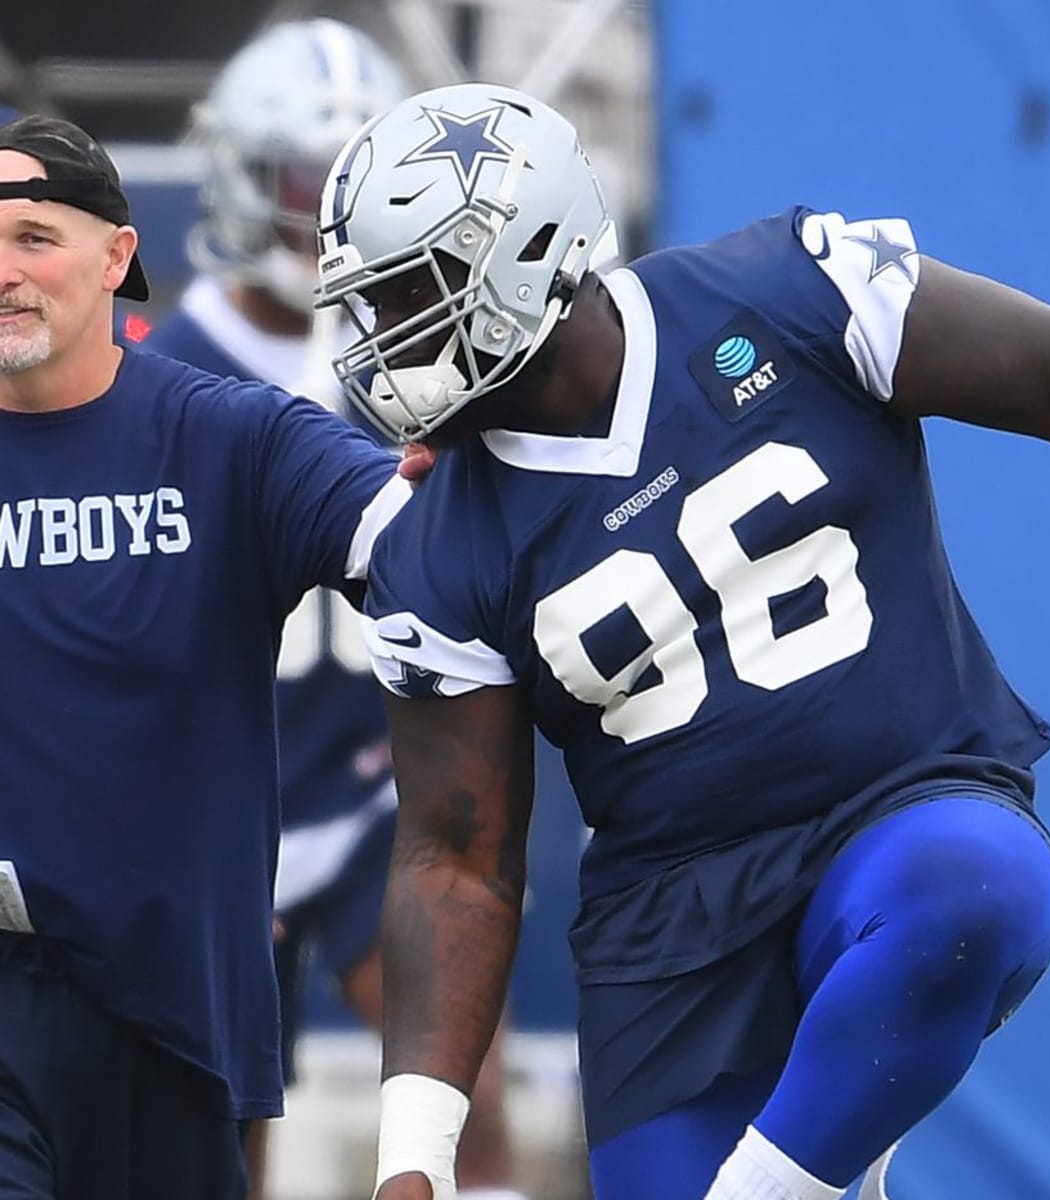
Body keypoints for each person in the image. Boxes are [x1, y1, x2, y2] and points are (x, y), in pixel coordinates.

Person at [316, 83, 1050, 1200]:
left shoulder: (786, 296)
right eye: (373, 302)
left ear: (527, 249)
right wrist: (412, 1161)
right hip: (673, 938)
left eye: (412, 292)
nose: (387, 335)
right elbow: (457, 855)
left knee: (979, 885)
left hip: (893, 813)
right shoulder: (436, 541)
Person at [143, 21, 525, 1200]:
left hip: (367, 804)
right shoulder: (157, 370)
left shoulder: (410, 353)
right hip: (209, 822)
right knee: (217, 1145)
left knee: (472, 1117)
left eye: (346, 187)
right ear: (240, 178)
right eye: (303, 182)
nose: (318, 216)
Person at [0, 112, 412, 1200]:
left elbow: (413, 545)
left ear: (117, 254)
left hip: (173, 1012)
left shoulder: (231, 440)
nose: (3, 272)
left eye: (32, 236)